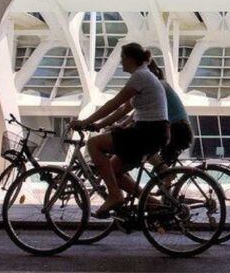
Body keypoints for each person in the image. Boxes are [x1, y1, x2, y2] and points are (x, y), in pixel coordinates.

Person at [70, 43, 169, 217]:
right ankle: (155, 204)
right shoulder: (145, 76)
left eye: (122, 58)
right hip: (153, 132)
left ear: (130, 59)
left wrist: (86, 121)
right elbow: (122, 110)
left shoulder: (140, 76)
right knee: (113, 170)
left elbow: (114, 103)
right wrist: (98, 125)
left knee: (93, 144)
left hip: (146, 131)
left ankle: (115, 196)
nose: (121, 62)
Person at [144, 58, 194, 171]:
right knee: (160, 169)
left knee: (146, 150)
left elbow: (142, 111)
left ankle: (168, 179)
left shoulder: (157, 86)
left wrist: (122, 124)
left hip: (177, 130)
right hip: (180, 129)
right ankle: (166, 184)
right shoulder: (161, 84)